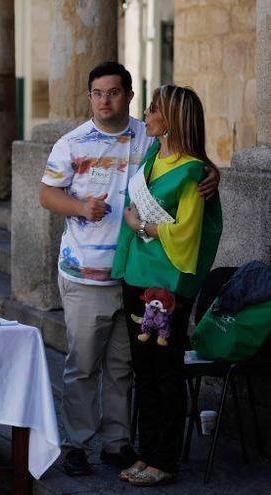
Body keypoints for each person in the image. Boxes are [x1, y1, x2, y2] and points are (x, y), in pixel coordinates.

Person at [39, 62, 219, 477]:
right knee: (83, 364)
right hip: (85, 272)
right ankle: (77, 444)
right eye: (98, 93)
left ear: (129, 96)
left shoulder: (148, 137)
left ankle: (118, 444)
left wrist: (211, 173)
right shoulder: (71, 142)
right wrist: (81, 207)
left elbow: (188, 161)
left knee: (124, 367)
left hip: (136, 275)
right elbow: (47, 194)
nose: (105, 101)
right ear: (89, 97)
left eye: (114, 92)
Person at [111, 85, 222, 487]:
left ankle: (165, 461)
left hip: (166, 287)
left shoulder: (193, 173)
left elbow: (187, 233)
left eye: (154, 108)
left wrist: (140, 225)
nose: (147, 112)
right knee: (145, 370)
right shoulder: (154, 156)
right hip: (136, 278)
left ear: (171, 119)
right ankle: (147, 452)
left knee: (165, 369)